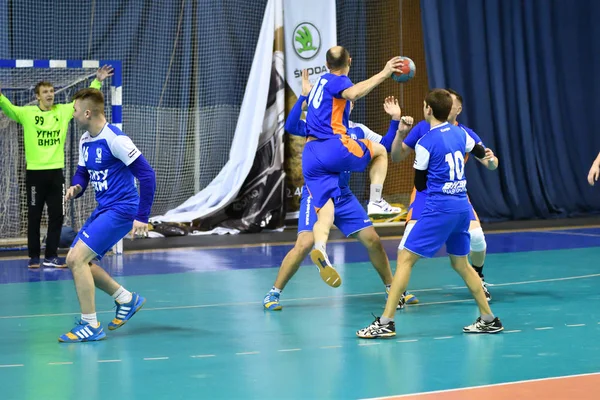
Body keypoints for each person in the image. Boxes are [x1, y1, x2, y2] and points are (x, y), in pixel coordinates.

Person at [263, 70, 418, 310]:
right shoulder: (318, 128)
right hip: (317, 191)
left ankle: (393, 288)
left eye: (350, 100)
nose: (348, 102)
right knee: (303, 243)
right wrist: (304, 97)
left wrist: (396, 122)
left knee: (373, 240)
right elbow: (292, 125)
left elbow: (384, 148)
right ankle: (274, 292)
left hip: (344, 195)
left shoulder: (358, 131)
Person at [357, 89, 503, 339]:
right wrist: (489, 161)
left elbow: (421, 184)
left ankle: (386, 322)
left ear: (427, 110)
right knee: (461, 263)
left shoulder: (425, 143)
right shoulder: (461, 133)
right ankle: (489, 318)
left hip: (439, 209)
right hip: (461, 207)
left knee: (404, 258)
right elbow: (481, 154)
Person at [58, 88, 156, 343]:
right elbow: (83, 173)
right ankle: (126, 298)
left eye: (75, 110)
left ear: (87, 112)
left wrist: (142, 216)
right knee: (79, 261)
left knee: (76, 258)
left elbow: (147, 175)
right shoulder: (85, 139)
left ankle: (90, 325)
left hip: (122, 208)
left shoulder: (116, 139)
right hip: (104, 207)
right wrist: (76, 187)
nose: (73, 113)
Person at [302, 46, 404, 282]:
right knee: (379, 152)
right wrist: (385, 72)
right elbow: (352, 94)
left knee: (324, 213)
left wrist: (305, 92)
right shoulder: (339, 80)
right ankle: (376, 200)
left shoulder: (319, 82)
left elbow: (309, 103)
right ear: (349, 60)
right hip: (332, 146)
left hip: (310, 155)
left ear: (326, 64)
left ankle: (321, 249)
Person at [0, 65, 114, 268]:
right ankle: (34, 257)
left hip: (56, 174)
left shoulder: (62, 111)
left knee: (57, 215)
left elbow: (83, 102)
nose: (50, 94)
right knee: (34, 216)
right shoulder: (27, 114)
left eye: (52, 91)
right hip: (35, 173)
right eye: (45, 92)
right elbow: (9, 108)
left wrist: (98, 80)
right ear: (37, 96)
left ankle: (51, 256)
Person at [391, 89, 498, 300]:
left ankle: (478, 278)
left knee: (478, 240)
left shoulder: (464, 134)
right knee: (406, 243)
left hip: (455, 194)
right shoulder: (423, 129)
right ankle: (398, 292)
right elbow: (396, 156)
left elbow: (489, 162)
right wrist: (400, 133)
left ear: (458, 109)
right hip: (426, 195)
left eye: (452, 102)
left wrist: (492, 161)